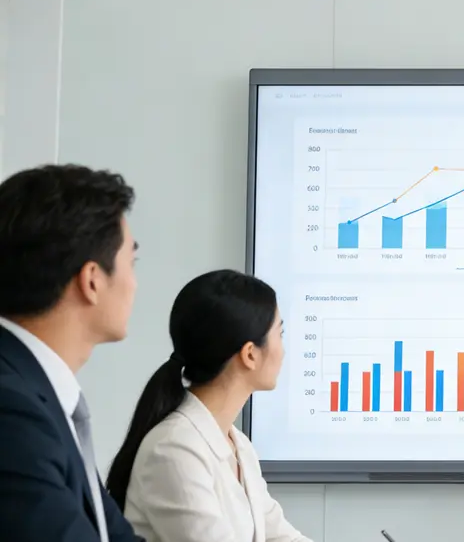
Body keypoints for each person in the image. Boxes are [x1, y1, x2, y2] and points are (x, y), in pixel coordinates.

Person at [105, 269, 312, 542]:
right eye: (280, 333)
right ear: (250, 354)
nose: (284, 351)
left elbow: (280, 535)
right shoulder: (174, 449)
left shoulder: (238, 446)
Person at [0, 164, 145, 542]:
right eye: (132, 262)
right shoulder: (12, 410)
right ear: (92, 280)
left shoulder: (38, 398)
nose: (135, 283)